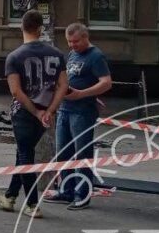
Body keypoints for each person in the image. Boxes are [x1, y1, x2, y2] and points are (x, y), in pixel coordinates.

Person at [0, 11, 68, 218]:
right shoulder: (57, 54)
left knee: (26, 156)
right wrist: (49, 110)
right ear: (41, 28)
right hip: (45, 113)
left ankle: (33, 204)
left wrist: (35, 111)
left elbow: (16, 91)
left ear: (21, 27)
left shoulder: (15, 57)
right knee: (23, 153)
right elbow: (63, 86)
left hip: (25, 112)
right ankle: (10, 196)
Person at [45, 22, 112, 210]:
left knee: (82, 154)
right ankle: (66, 191)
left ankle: (82, 195)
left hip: (82, 112)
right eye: (69, 42)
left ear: (85, 37)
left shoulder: (96, 56)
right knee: (63, 152)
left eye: (75, 42)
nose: (72, 46)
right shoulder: (74, 54)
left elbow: (106, 82)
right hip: (66, 108)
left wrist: (83, 94)